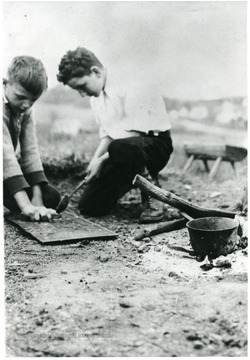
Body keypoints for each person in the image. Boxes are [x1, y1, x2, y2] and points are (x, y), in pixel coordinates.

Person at [57, 47, 173, 223]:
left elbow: (135, 133)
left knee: (121, 147)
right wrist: (94, 162)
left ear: (95, 72)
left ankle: (154, 198)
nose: (82, 94)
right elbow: (107, 136)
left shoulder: (131, 81)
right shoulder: (96, 100)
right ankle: (130, 181)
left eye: (82, 86)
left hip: (154, 146)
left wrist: (101, 161)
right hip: (121, 151)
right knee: (90, 206)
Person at [3, 56, 61, 221]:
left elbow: (30, 151)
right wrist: (26, 206)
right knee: (25, 202)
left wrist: (37, 199)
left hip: (4, 175)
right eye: (21, 97)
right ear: (5, 83)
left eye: (32, 100)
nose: (26, 105)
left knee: (51, 197)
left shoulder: (25, 110)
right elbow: (6, 156)